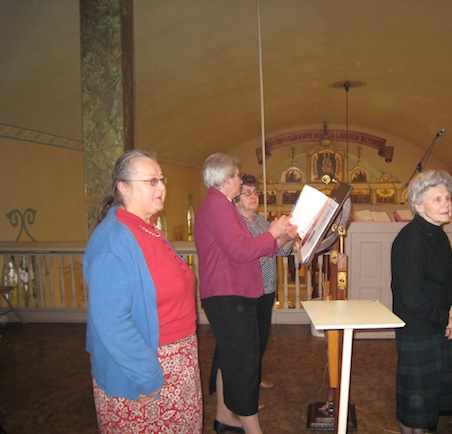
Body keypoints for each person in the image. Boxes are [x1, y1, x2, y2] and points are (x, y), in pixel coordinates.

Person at [84, 150, 202, 433]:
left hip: (177, 362)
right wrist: (147, 376)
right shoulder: (113, 240)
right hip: (146, 369)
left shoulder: (147, 228)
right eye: (151, 181)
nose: (162, 187)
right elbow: (111, 322)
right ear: (122, 187)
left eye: (162, 179)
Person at [194, 154, 296, 434]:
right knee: (244, 362)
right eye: (238, 176)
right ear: (227, 180)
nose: (241, 179)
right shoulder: (217, 205)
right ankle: (253, 429)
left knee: (233, 357)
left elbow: (253, 247)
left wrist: (282, 236)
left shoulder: (222, 205)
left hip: (235, 293)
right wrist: (273, 231)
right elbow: (241, 252)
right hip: (228, 294)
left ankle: (225, 417)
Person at [391, 169, 452, 434]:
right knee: (415, 405)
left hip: (437, 325)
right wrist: (447, 318)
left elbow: (447, 281)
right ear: (418, 205)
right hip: (417, 329)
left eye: (447, 198)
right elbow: (411, 298)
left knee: (428, 402)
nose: (446, 204)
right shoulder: (410, 240)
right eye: (438, 199)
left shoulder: (439, 234)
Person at [233, 174, 293, 402]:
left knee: (261, 338)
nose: (253, 197)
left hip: (267, 287)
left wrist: (288, 237)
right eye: (247, 193)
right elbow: (256, 249)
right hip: (248, 289)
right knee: (249, 342)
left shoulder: (260, 220)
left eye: (255, 192)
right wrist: (275, 235)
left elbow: (277, 250)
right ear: (236, 198)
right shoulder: (237, 223)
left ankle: (255, 377)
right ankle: (246, 395)